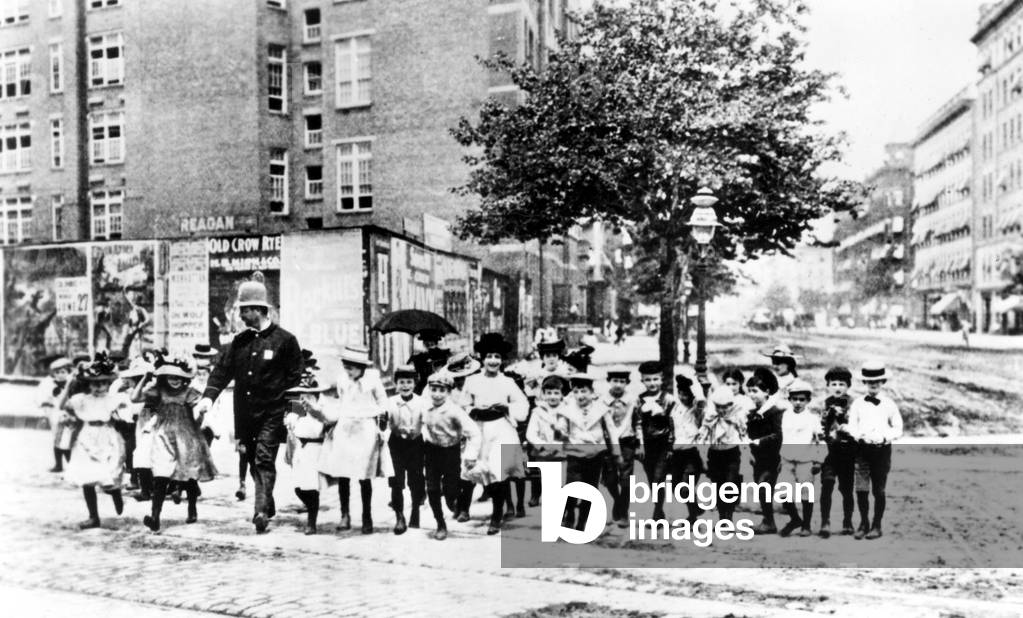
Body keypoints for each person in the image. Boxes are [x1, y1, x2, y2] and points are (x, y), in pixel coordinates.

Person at [194, 277, 304, 534]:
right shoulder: (239, 342)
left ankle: (261, 511)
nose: (241, 314)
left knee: (265, 458)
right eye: (240, 309)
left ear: (259, 310)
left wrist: (294, 412)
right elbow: (221, 371)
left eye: (245, 309)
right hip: (245, 415)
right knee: (254, 460)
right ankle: (267, 499)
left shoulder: (285, 341)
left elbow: (297, 380)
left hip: (273, 413)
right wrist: (208, 397)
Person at [133, 354, 217, 533]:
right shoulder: (158, 391)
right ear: (164, 377)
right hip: (163, 436)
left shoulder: (189, 393)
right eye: (172, 377)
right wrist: (145, 378)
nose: (175, 381)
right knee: (161, 476)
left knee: (188, 475)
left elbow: (199, 412)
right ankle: (155, 517)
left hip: (186, 435)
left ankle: (192, 507)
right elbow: (135, 398)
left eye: (179, 377)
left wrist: (201, 414)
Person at [319, 345, 392, 535]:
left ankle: (367, 516)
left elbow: (384, 403)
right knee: (343, 474)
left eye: (351, 367)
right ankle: (345, 514)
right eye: (346, 366)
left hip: (366, 428)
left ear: (361, 367)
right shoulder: (343, 380)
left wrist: (382, 425)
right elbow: (341, 401)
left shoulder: (373, 380)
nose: (348, 371)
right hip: (345, 427)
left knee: (364, 475)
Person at [462, 333, 529, 534]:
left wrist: (507, 407)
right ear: (482, 358)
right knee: (474, 468)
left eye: (497, 357)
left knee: (497, 471)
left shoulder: (507, 382)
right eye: (489, 356)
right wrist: (471, 410)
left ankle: (496, 516)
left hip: (501, 429)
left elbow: (522, 405)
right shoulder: (472, 381)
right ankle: (463, 507)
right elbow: (463, 404)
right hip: (479, 429)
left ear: (502, 360)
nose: (493, 361)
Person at [57, 354, 128, 529]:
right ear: (89, 384)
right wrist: (68, 384)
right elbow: (63, 406)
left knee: (107, 476)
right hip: (87, 437)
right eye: (95, 384)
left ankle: (115, 493)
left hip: (106, 435)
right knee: (87, 477)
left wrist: (119, 418)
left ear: (108, 384)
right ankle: (93, 516)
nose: (99, 387)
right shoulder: (81, 399)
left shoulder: (112, 399)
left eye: (103, 383)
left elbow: (125, 412)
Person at [847, 360, 903, 540]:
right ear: (864, 382)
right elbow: (852, 426)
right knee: (861, 488)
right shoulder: (857, 404)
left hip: (881, 450)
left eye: (877, 381)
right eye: (870, 381)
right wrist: (860, 436)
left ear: (883, 382)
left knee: (879, 490)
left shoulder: (889, 404)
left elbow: (898, 427)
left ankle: (876, 524)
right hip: (862, 450)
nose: (873, 384)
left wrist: (885, 437)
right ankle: (863, 522)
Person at [421, 372, 480, 540]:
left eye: (441, 390)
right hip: (431, 451)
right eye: (433, 389)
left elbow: (474, 433)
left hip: (450, 452)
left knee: (450, 491)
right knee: (432, 489)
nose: (437, 394)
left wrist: (470, 455)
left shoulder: (455, 411)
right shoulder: (424, 407)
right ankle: (440, 523)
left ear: (448, 392)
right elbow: (417, 424)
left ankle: (457, 503)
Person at [561, 372, 621, 531]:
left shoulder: (601, 409)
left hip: (596, 454)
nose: (580, 395)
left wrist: (616, 452)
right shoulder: (567, 409)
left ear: (591, 392)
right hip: (575, 452)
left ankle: (582, 521)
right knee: (572, 486)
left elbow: (611, 430)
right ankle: (569, 514)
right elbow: (561, 429)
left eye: (584, 391)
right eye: (576, 392)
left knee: (590, 488)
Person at [283, 361, 330, 535]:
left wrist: (315, 411)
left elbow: (324, 425)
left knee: (312, 487)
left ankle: (312, 521)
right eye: (302, 395)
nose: (305, 399)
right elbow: (291, 426)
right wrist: (290, 420)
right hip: (300, 450)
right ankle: (309, 508)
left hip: (315, 449)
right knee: (298, 487)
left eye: (309, 396)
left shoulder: (320, 410)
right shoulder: (297, 410)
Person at [778, 379, 825, 537]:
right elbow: (785, 437)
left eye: (802, 399)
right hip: (787, 460)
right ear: (790, 399)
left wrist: (819, 460)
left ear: (808, 401)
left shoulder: (812, 419)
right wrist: (781, 459)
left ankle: (806, 524)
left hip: (806, 460)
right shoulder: (786, 415)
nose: (798, 402)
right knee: (783, 491)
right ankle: (794, 519)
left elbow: (820, 440)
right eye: (795, 399)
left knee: (806, 493)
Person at [632, 361, 677, 522]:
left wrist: (671, 446)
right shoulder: (639, 400)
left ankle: (657, 513)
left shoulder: (668, 399)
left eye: (655, 379)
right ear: (642, 381)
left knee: (659, 478)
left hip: (663, 444)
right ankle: (659, 509)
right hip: (647, 445)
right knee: (652, 479)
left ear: (662, 379)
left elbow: (673, 424)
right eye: (648, 380)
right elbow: (637, 424)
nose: (652, 383)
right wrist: (641, 445)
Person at [745, 367, 787, 534]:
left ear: (767, 392)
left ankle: (770, 521)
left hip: (773, 457)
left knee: (764, 486)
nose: (751, 395)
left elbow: (778, 435)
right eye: (749, 391)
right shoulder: (753, 413)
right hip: (758, 458)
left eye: (755, 391)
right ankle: (768, 520)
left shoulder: (775, 412)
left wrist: (758, 441)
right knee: (761, 487)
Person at [387, 364, 427, 534]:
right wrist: (394, 430)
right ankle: (399, 516)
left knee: (415, 480)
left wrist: (418, 433)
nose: (405, 386)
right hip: (396, 445)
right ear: (396, 383)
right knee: (396, 482)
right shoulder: (390, 402)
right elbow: (384, 423)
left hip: (416, 445)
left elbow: (426, 423)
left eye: (409, 382)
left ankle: (415, 512)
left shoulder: (422, 402)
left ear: (415, 383)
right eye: (401, 382)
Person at [444, 352, 483, 522]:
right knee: (451, 473)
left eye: (466, 377)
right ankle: (455, 503)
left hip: (473, 434)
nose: (462, 381)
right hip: (452, 436)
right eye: (458, 378)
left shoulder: (477, 390)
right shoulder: (449, 394)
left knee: (468, 472)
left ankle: (464, 508)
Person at [819, 366, 856, 537]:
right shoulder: (826, 403)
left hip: (847, 452)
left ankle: (847, 521)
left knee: (846, 489)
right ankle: (825, 521)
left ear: (848, 386)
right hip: (830, 452)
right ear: (828, 386)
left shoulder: (853, 404)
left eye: (842, 384)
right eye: (833, 383)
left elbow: (855, 426)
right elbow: (822, 426)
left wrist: (843, 418)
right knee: (827, 485)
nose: (838, 387)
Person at [701, 385, 746, 522]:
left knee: (730, 484)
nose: (721, 410)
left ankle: (729, 516)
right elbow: (703, 433)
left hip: (731, 453)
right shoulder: (710, 416)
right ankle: (722, 518)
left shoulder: (737, 415)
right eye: (718, 406)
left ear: (731, 405)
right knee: (718, 485)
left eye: (724, 407)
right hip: (715, 454)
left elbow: (743, 432)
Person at [601, 365, 637, 527]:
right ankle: (618, 501)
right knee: (610, 478)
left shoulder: (632, 400)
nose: (618, 385)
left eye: (622, 381)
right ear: (609, 381)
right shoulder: (601, 400)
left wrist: (640, 443)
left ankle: (623, 512)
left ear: (627, 383)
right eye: (615, 380)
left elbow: (638, 422)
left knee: (626, 478)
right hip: (608, 442)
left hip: (626, 441)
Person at [670, 371, 705, 523]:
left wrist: (695, 384)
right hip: (677, 453)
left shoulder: (697, 409)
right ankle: (694, 510)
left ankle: (693, 514)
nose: (683, 397)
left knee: (686, 486)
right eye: (680, 393)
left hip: (692, 453)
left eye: (686, 395)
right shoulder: (676, 408)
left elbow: (702, 400)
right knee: (676, 488)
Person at [39, 357, 73, 473]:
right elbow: (46, 399)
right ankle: (58, 464)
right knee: (57, 438)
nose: (60, 375)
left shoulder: (71, 384)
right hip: (56, 414)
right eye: (57, 372)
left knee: (68, 440)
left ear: (68, 372)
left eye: (63, 372)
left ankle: (71, 464)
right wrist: (45, 413)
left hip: (69, 413)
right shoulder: (50, 385)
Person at [408, 330, 451, 395]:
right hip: (422, 388)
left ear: (436, 342)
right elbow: (410, 373)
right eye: (426, 343)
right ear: (423, 343)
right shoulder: (417, 358)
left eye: (432, 342)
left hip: (441, 386)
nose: (429, 345)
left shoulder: (444, 355)